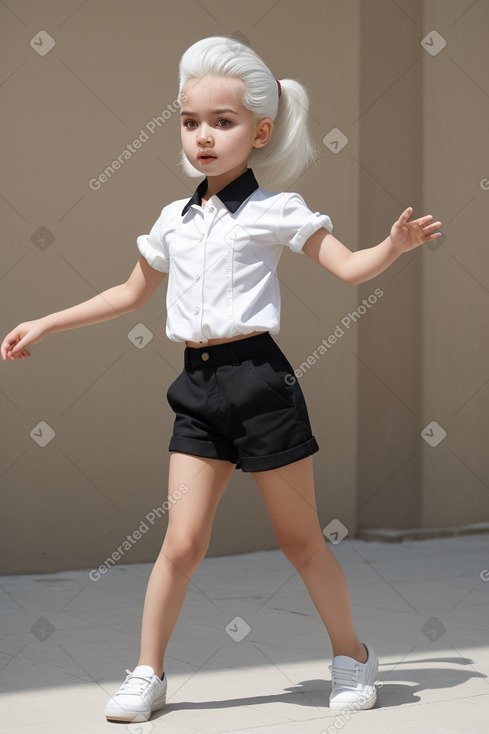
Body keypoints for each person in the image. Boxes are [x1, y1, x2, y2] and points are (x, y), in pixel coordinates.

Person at [1, 36, 442, 724]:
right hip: (198, 391)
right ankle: (147, 673)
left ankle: (352, 655)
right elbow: (127, 293)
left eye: (222, 121)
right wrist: (46, 323)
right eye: (189, 121)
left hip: (262, 387)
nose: (202, 136)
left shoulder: (276, 210)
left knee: (300, 541)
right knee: (181, 543)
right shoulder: (172, 222)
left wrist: (394, 246)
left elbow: (351, 267)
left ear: (259, 132)